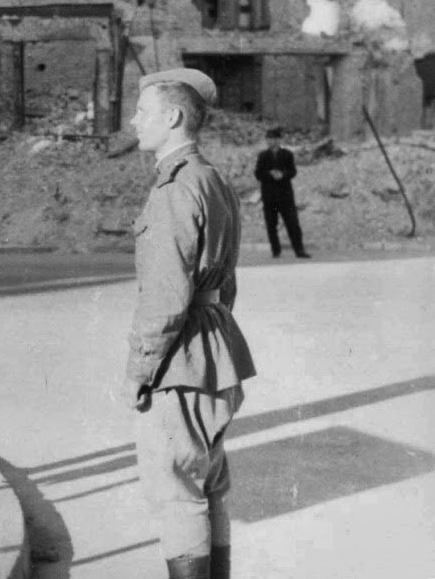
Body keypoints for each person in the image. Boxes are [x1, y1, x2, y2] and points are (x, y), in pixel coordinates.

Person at [124, 68, 256, 579]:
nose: (134, 121)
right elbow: (227, 282)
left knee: (176, 489)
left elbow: (165, 295)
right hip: (214, 345)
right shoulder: (211, 178)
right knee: (209, 484)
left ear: (174, 117)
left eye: (143, 111)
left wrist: (140, 369)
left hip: (180, 356)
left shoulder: (175, 188)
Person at [254, 127, 310, 258]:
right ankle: (276, 250)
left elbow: (293, 171)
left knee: (293, 223)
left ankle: (299, 250)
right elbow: (258, 174)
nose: (271, 142)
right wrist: (270, 174)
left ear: (279, 140)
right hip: (269, 196)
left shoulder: (287, 154)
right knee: (271, 224)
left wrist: (283, 175)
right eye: (269, 139)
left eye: (274, 139)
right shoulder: (263, 155)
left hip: (285, 195)